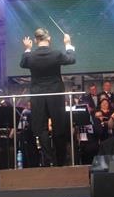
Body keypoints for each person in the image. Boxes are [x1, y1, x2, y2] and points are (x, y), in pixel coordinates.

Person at [20, 28, 76, 166]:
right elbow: (71, 59)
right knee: (59, 127)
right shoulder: (56, 54)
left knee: (41, 128)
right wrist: (68, 43)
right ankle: (60, 161)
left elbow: (23, 63)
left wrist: (27, 48)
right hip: (55, 94)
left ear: (35, 40)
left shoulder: (30, 56)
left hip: (38, 95)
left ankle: (50, 160)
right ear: (49, 38)